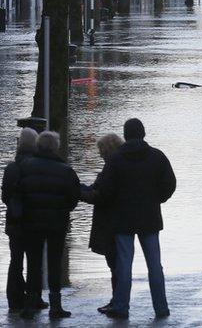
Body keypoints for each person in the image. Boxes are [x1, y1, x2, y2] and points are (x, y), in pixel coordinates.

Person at [94, 119, 177, 320]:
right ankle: (161, 307)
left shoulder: (116, 160)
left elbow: (105, 190)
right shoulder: (157, 157)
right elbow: (170, 183)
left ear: (126, 134)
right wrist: (158, 198)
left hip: (123, 219)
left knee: (124, 264)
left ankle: (122, 306)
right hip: (150, 218)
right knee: (155, 265)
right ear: (143, 133)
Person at [9, 131, 81, 320]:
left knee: (33, 263)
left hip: (31, 223)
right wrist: (62, 209)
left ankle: (31, 304)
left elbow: (17, 194)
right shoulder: (65, 170)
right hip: (57, 223)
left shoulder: (25, 167)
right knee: (55, 263)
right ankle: (55, 306)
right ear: (56, 147)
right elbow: (73, 198)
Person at [1, 128, 46, 313]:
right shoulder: (39, 165)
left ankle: (14, 299)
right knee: (35, 262)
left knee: (15, 261)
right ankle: (34, 298)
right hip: (35, 222)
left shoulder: (11, 167)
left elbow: (5, 196)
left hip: (14, 223)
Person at [81, 133, 125, 315]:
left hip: (110, 224)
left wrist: (79, 192)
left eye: (100, 151)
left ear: (107, 151)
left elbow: (101, 195)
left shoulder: (111, 169)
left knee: (115, 264)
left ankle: (118, 302)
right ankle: (118, 300)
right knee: (117, 264)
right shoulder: (120, 166)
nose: (99, 154)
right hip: (120, 222)